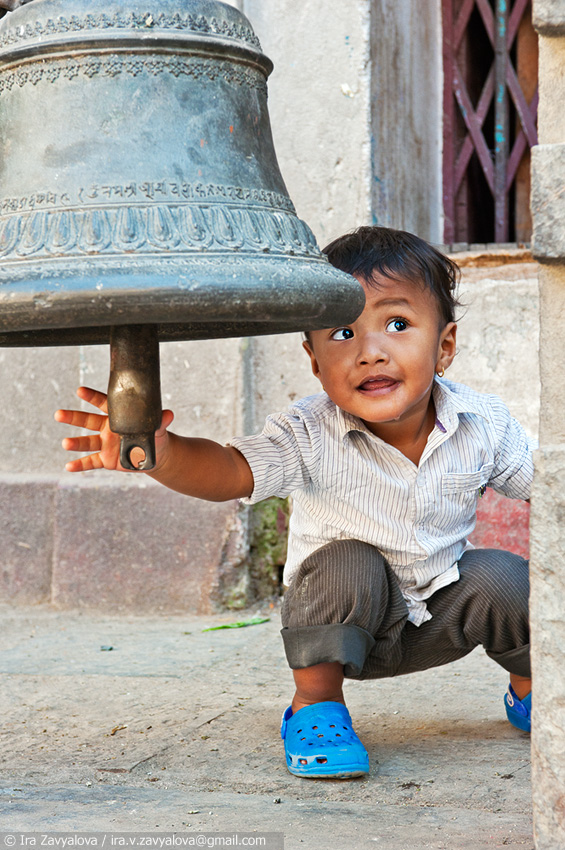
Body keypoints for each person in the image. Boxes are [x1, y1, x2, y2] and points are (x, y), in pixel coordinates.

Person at [55, 226, 533, 780]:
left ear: (444, 346)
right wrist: (161, 454)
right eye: (342, 333)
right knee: (347, 559)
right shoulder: (309, 430)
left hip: (437, 617)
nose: (369, 352)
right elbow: (232, 470)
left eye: (397, 324)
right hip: (337, 621)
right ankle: (316, 707)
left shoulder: (484, 424)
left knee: (504, 575)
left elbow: (547, 484)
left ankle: (533, 686)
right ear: (313, 359)